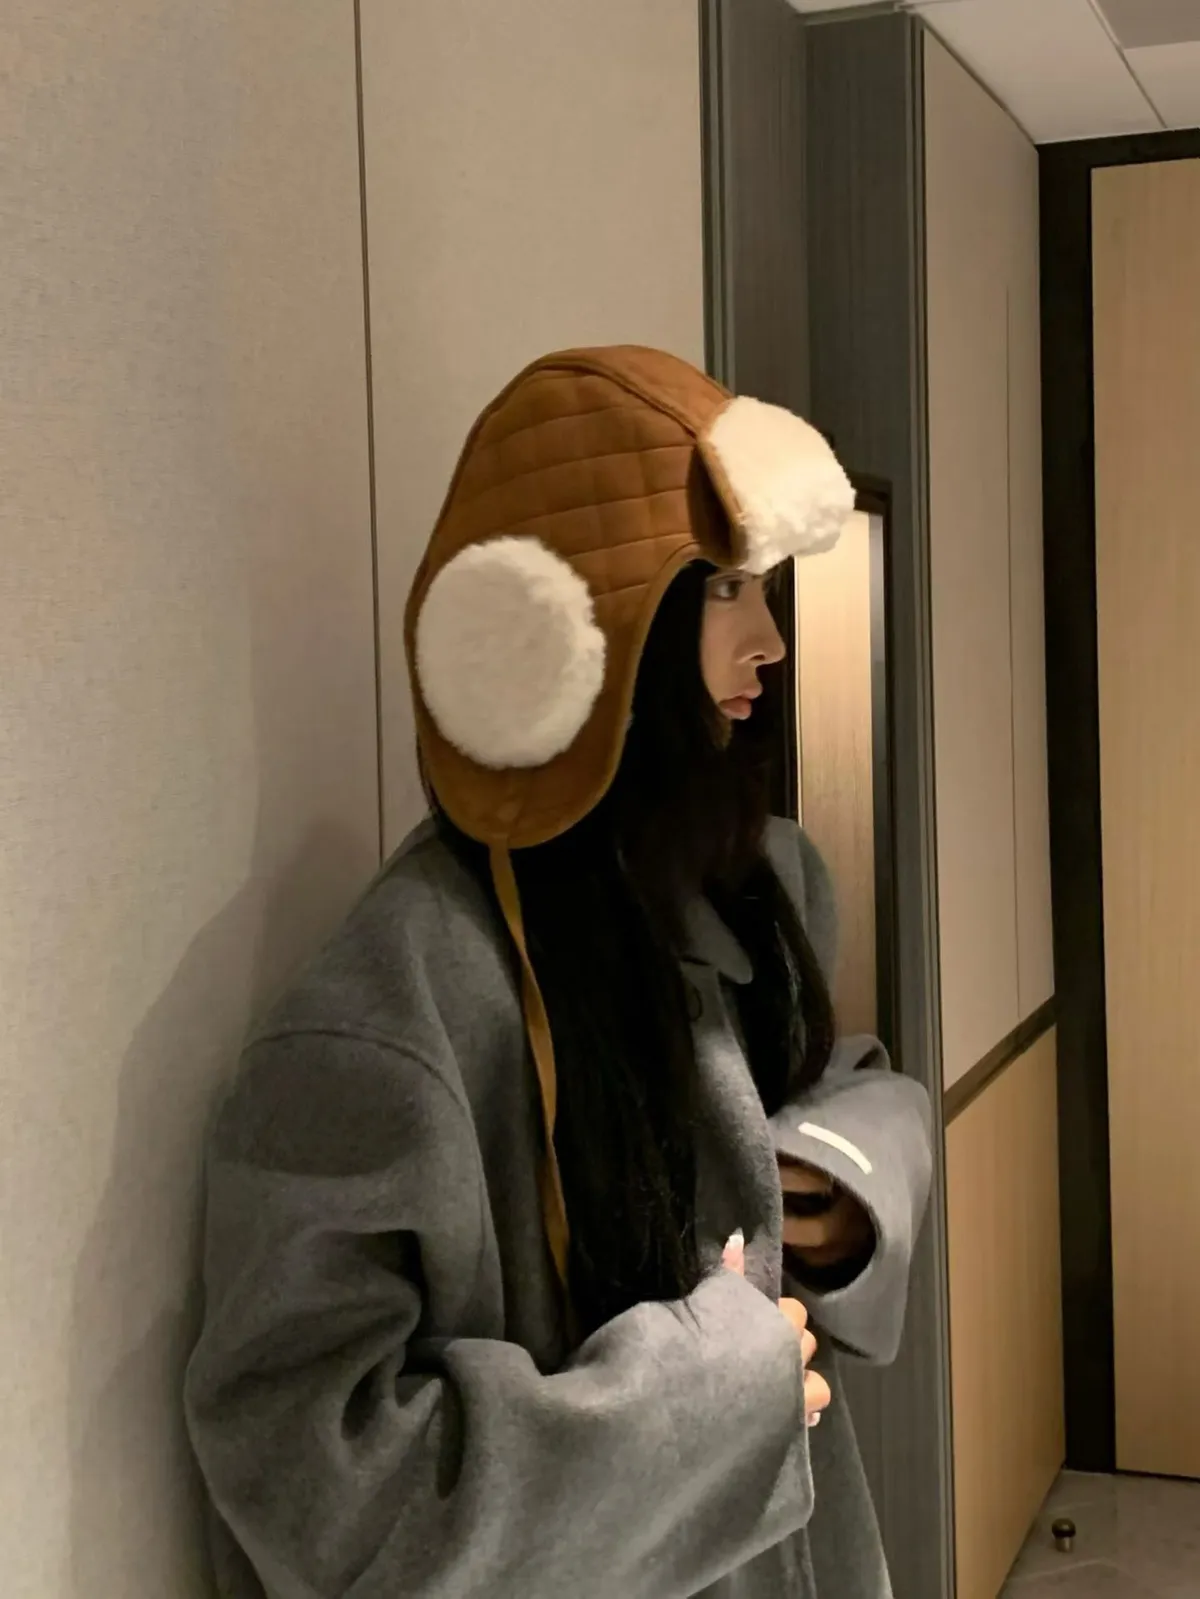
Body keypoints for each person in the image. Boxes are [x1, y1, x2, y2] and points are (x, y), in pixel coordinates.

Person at [185, 346, 933, 1599]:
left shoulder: (751, 884)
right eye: (727, 590)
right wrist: (701, 1401)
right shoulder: (398, 1011)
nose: (769, 642)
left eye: (764, 590)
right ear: (554, 635)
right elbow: (314, 1483)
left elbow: (835, 1071)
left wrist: (842, 1182)